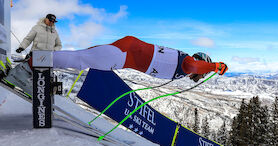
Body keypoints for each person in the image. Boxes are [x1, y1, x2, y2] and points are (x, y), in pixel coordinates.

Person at [53, 36, 227, 82]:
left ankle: (40, 62)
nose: (200, 75)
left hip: (123, 57)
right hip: (124, 54)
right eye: (202, 73)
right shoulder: (188, 63)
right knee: (81, 59)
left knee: (83, 57)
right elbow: (194, 66)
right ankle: (37, 61)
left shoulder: (186, 68)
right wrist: (214, 67)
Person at [4, 14, 62, 95]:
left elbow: (59, 45)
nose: (51, 23)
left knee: (42, 75)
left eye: (53, 21)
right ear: (46, 19)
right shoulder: (37, 28)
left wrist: (53, 50)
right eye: (50, 20)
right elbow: (28, 39)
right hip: (36, 54)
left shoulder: (55, 32)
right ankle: (14, 79)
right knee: (28, 70)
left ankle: (39, 91)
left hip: (47, 57)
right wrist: (22, 47)